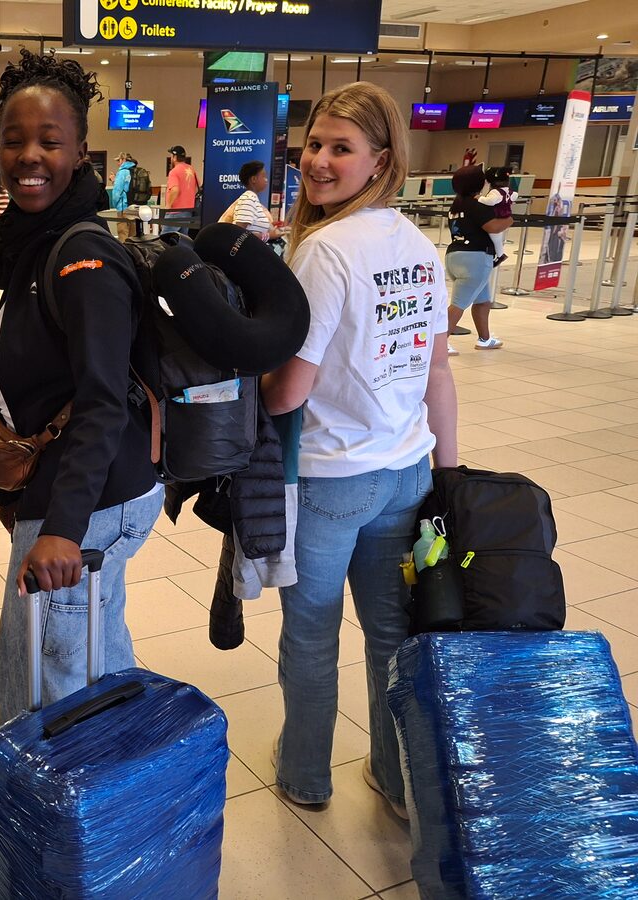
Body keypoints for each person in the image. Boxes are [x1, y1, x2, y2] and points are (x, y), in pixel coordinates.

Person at [260, 82, 458, 821]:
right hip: (405, 472)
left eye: (341, 148)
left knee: (311, 633)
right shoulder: (415, 245)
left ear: (380, 160)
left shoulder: (325, 252)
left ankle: (308, 775)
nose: (319, 160)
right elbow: (439, 369)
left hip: (327, 479)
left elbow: (287, 394)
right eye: (314, 144)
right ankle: (398, 781)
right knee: (391, 636)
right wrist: (451, 473)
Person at [0, 49, 162, 725]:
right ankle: (115, 811)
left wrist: (60, 528)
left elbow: (101, 401)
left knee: (45, 683)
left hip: (88, 504)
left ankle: (45, 821)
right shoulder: (37, 244)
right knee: (94, 662)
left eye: (50, 142)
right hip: (70, 491)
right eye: (14, 140)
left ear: (81, 151)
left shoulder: (82, 259)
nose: (30, 156)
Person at [447, 165, 511, 354]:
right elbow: (493, 227)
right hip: (476, 258)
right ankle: (440, 342)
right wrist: (509, 220)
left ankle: (485, 338)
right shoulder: (478, 205)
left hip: (454, 256)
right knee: (459, 304)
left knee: (483, 301)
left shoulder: (456, 205)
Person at [219, 160, 283, 242]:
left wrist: (271, 227)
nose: (266, 180)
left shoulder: (253, 198)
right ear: (253, 179)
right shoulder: (249, 198)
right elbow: (239, 233)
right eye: (263, 176)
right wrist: (269, 236)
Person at [480, 166, 515, 266]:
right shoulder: (508, 191)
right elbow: (515, 195)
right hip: (505, 217)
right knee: (499, 237)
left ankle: (500, 255)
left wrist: (480, 198)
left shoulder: (495, 193)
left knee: (495, 236)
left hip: (496, 217)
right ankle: (499, 254)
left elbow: (490, 201)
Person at [163, 145, 199, 234]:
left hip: (175, 212)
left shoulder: (174, 172)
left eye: (171, 156)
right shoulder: (191, 169)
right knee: (182, 240)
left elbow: (175, 190)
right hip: (188, 212)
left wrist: (168, 207)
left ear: (174, 157)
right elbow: (198, 187)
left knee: (165, 239)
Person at [111, 152, 136, 242]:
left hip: (123, 207)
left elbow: (117, 192)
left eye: (119, 160)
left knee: (123, 233)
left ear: (123, 160)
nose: (118, 163)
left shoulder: (122, 172)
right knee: (133, 234)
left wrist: (116, 204)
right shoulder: (134, 170)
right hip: (134, 207)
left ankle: (124, 254)